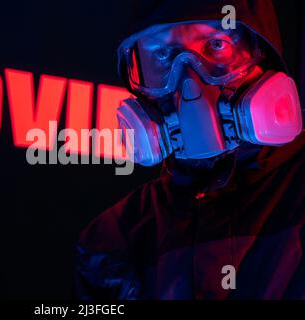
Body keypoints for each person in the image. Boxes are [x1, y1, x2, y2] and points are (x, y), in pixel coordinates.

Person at [75, 0, 305, 299]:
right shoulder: (110, 242)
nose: (189, 82)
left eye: (217, 45)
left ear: (265, 53)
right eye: (161, 54)